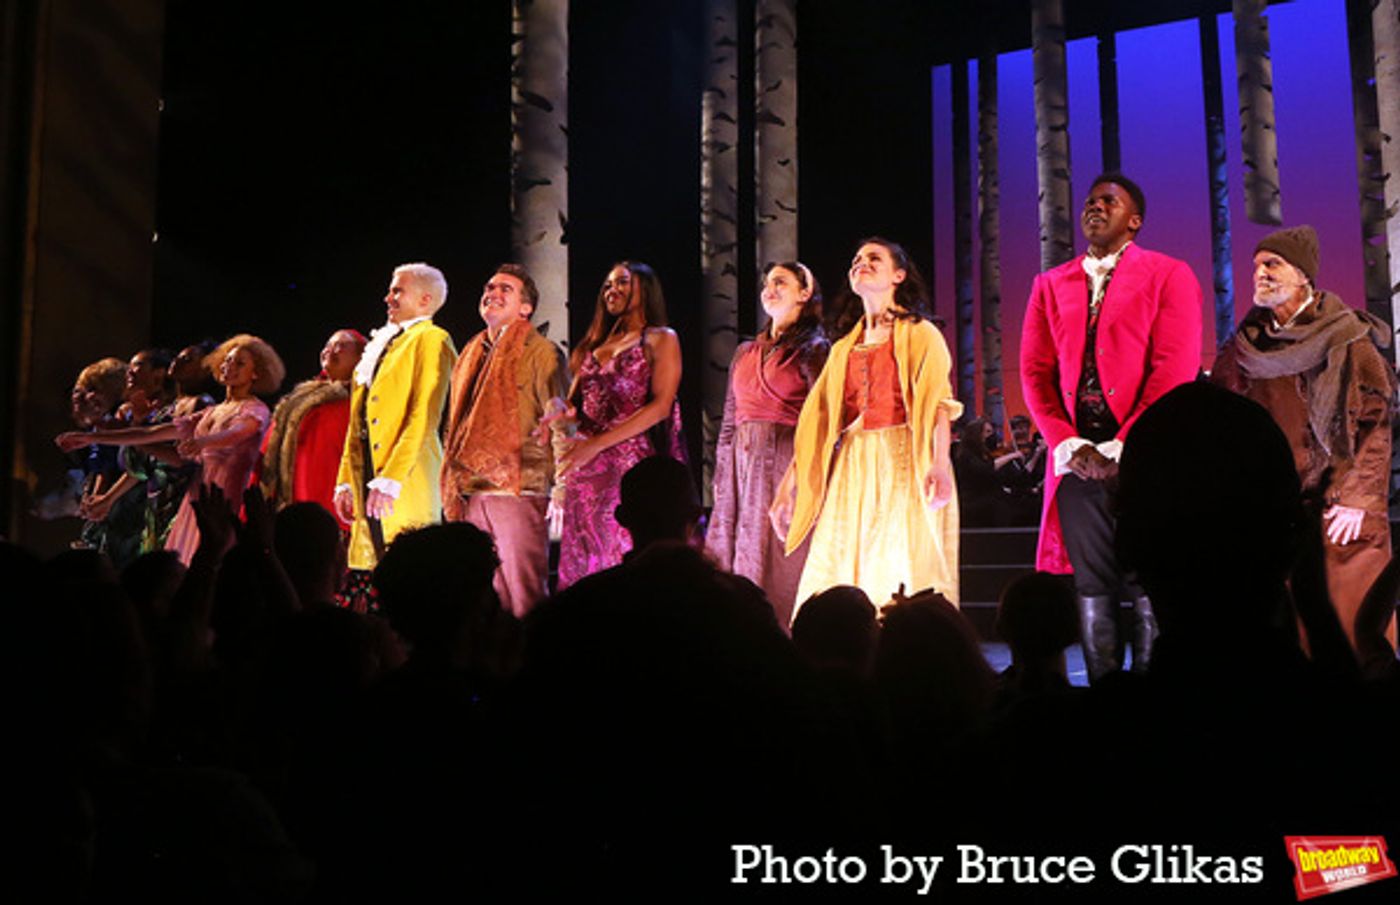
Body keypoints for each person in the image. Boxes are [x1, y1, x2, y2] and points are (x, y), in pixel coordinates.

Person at [1019, 172, 1201, 682]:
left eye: (1109, 201)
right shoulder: (1050, 284)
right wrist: (1068, 443)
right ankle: (1103, 697)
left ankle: (1153, 694)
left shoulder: (1168, 274)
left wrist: (1125, 445)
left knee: (1148, 578)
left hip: (1145, 456)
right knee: (1093, 582)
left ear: (1134, 220)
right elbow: (1035, 372)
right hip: (1078, 458)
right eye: (1090, 201)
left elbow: (1174, 367)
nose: (1095, 207)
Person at [1210, 225, 1396, 649]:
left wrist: (1358, 498)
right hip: (1273, 511)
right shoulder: (1245, 346)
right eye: (1257, 265)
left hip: (1340, 508)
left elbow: (1377, 420)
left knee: (1351, 633)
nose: (1260, 273)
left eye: (1273, 264)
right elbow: (1219, 415)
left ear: (1304, 276)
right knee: (1284, 639)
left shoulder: (1347, 336)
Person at [778, 237, 962, 619]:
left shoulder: (921, 333)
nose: (862, 262)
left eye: (874, 258)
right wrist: (787, 486)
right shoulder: (844, 346)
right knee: (843, 563)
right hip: (853, 466)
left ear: (899, 274)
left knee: (899, 565)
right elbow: (821, 422)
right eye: (857, 259)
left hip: (904, 461)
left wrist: (940, 464)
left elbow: (938, 405)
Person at [57, 334, 285, 565]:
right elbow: (151, 434)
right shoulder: (212, 412)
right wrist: (89, 437)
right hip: (200, 491)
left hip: (230, 493)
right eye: (227, 360)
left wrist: (203, 442)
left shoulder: (255, 409)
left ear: (256, 373)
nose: (229, 366)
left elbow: (238, 433)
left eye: (239, 363)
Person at [707, 261, 829, 627]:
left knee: (778, 556)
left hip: (785, 459)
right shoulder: (745, 352)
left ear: (804, 294)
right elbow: (730, 418)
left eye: (781, 282)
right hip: (740, 466)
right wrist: (722, 472)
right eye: (766, 283)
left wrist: (802, 475)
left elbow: (821, 415)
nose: (769, 289)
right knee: (736, 549)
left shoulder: (814, 348)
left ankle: (781, 636)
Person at [441, 264, 566, 618]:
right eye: (489, 287)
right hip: (470, 489)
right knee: (479, 596)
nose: (492, 293)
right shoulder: (471, 352)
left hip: (519, 486)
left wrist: (562, 486)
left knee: (524, 594)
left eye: (505, 290)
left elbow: (560, 419)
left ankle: (531, 665)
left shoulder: (540, 350)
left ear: (526, 308)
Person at [552, 261, 685, 589]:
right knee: (580, 559)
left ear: (646, 288)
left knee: (619, 551)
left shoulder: (660, 339)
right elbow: (573, 406)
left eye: (623, 282)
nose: (613, 290)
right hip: (583, 467)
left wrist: (597, 444)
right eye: (608, 285)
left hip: (626, 463)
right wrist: (557, 413)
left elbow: (661, 407)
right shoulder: (592, 346)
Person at [334, 263, 457, 571]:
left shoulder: (432, 338)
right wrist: (346, 481)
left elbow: (424, 414)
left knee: (407, 567)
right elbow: (358, 421)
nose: (388, 297)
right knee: (369, 567)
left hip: (405, 476)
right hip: (368, 473)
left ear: (425, 300)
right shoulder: (386, 344)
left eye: (397, 290)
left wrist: (392, 477)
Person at [259, 328, 366, 525]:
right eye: (327, 346)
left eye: (340, 346)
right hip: (290, 492)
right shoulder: (301, 398)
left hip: (331, 496)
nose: (329, 350)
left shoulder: (361, 401)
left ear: (361, 356)